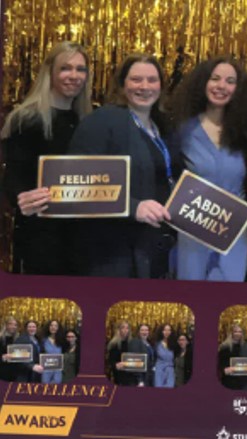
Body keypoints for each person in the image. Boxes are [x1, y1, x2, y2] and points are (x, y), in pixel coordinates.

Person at [69, 53, 177, 278]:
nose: (145, 86)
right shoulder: (102, 121)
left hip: (153, 248)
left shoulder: (161, 126)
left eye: (152, 80)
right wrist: (132, 207)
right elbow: (76, 184)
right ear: (122, 84)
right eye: (136, 79)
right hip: (112, 253)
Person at [1, 41, 92, 275]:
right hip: (40, 236)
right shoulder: (26, 119)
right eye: (65, 68)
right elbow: (13, 177)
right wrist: (22, 199)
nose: (74, 75)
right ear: (49, 71)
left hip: (80, 237)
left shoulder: (88, 120)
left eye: (80, 69)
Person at [172, 56, 247, 281]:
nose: (222, 86)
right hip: (192, 232)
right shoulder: (182, 130)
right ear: (203, 83)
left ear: (238, 89)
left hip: (234, 234)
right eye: (215, 78)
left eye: (230, 81)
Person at [107, 321, 135, 386]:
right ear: (119, 330)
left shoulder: (132, 342)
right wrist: (116, 365)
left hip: (130, 374)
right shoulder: (114, 344)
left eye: (127, 328)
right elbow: (111, 361)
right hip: (119, 374)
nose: (125, 330)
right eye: (123, 328)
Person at [218, 324, 244, 389]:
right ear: (231, 333)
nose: (238, 333)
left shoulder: (244, 346)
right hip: (229, 378)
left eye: (240, 332)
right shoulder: (225, 346)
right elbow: (220, 362)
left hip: (241, 378)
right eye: (235, 331)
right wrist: (224, 370)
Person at [154, 324, 176, 388]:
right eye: (165, 330)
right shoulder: (157, 344)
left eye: (169, 330)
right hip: (159, 370)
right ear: (161, 331)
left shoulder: (174, 344)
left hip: (170, 370)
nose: (167, 332)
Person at [0, 316, 19, 381]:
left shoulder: (18, 338)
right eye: (11, 324)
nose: (13, 327)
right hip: (2, 372)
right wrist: (3, 357)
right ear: (6, 325)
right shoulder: (1, 338)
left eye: (15, 325)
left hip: (15, 372)